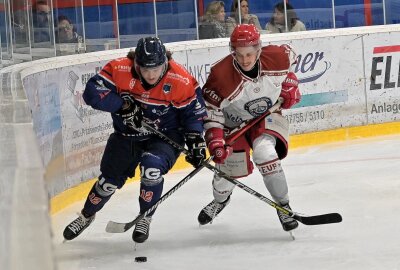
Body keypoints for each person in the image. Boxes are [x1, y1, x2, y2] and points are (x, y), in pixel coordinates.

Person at [63, 37, 207, 244]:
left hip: (165, 135)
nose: (150, 75)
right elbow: (91, 93)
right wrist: (122, 105)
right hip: (127, 135)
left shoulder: (180, 79)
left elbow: (193, 114)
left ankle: (145, 217)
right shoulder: (119, 68)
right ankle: (86, 216)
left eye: (156, 69)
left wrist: (195, 141)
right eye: (145, 69)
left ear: (165, 63)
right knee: (107, 183)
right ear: (136, 63)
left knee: (152, 168)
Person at [198, 24, 301, 233]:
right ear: (232, 51)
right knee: (228, 171)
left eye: (250, 54)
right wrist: (216, 140)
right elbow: (211, 112)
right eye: (239, 54)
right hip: (235, 123)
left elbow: (292, 62)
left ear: (259, 48)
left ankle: (283, 206)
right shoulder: (220, 75)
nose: (245, 60)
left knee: (266, 154)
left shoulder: (278, 57)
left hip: (268, 116)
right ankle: (220, 200)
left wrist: (290, 85)